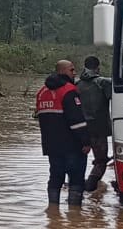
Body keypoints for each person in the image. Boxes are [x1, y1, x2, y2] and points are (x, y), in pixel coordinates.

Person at [36, 60, 89, 206]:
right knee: (76, 179)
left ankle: (53, 213)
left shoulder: (42, 93)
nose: (75, 73)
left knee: (55, 177)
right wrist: (86, 141)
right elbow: (77, 120)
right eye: (72, 70)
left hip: (51, 146)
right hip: (72, 146)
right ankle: (75, 215)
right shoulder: (69, 90)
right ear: (63, 71)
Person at [76, 55, 115, 192]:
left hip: (79, 130)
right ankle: (90, 188)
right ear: (98, 68)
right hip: (99, 129)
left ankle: (76, 188)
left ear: (83, 67)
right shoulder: (104, 83)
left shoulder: (76, 85)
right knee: (101, 161)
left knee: (77, 159)